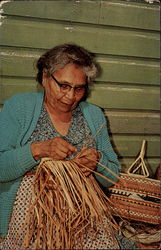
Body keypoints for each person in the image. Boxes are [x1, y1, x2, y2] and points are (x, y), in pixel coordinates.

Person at [0, 44, 122, 249]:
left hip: (84, 220)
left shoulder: (93, 114)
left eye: (79, 88)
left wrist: (97, 163)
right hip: (29, 219)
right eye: (63, 85)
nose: (70, 96)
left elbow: (113, 176)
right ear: (45, 77)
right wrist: (38, 150)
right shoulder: (19, 106)